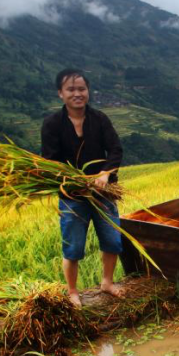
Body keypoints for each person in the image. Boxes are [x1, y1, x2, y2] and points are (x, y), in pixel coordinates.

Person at [41, 68, 126, 307]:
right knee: (73, 246)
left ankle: (107, 283)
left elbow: (115, 149)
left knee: (112, 240)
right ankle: (72, 292)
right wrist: (77, 181)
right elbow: (50, 161)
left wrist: (105, 174)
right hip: (72, 195)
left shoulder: (100, 119)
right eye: (71, 89)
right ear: (61, 93)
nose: (77, 94)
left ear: (88, 91)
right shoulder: (52, 124)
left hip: (103, 192)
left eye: (81, 89)